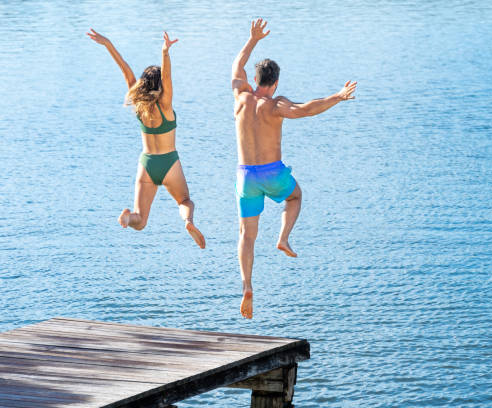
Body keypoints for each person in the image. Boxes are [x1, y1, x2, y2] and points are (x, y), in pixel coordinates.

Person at [232, 19, 357, 318]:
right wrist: (337, 97)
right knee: (295, 196)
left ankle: (247, 285)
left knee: (246, 235)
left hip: (245, 176)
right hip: (272, 173)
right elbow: (306, 109)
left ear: (255, 79)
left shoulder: (240, 97)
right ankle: (283, 237)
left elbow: (237, 64)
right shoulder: (275, 105)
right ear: (274, 83)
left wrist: (252, 40)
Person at [87, 29, 205, 249]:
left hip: (147, 164)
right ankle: (188, 222)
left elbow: (125, 70)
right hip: (170, 163)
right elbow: (168, 77)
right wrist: (165, 51)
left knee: (140, 221)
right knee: (185, 201)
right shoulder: (166, 106)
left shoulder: (139, 106)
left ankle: (127, 217)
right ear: (160, 86)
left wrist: (108, 44)